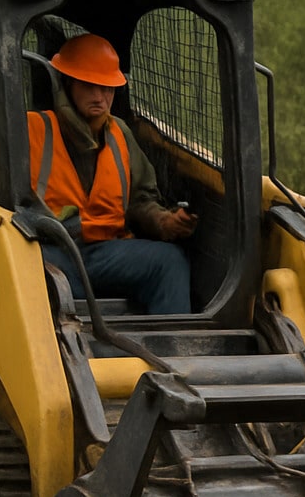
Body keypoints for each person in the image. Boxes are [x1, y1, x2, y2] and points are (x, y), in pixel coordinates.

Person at [28, 33, 197, 315]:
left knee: (169, 262)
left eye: (107, 88)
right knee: (49, 279)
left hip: (104, 253)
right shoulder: (32, 129)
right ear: (66, 84)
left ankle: (172, 351)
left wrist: (164, 221)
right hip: (47, 250)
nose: (99, 96)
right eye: (89, 85)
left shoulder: (121, 134)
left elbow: (140, 201)